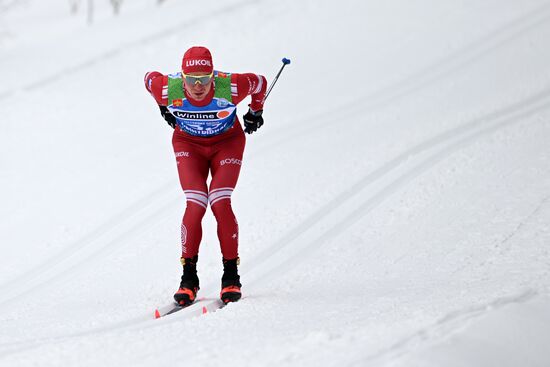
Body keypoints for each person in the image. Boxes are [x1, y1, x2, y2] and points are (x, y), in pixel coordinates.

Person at [144, 46, 266, 305]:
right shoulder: (168, 88)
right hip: (188, 145)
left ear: (214, 75)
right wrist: (161, 107)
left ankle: (231, 276)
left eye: (204, 78)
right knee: (196, 202)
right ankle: (189, 278)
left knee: (220, 201)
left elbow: (260, 83)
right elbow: (148, 78)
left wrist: (256, 110)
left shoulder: (231, 86)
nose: (198, 85)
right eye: (191, 79)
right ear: (182, 77)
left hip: (227, 143)